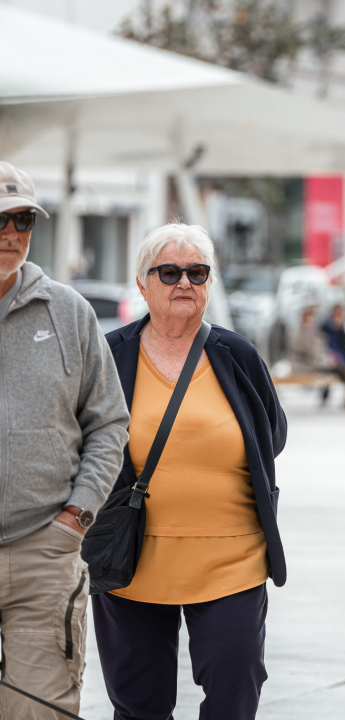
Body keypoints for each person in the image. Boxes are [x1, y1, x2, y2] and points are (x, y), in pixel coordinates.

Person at [93, 223, 287, 720]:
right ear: (142, 284)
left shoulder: (237, 353)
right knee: (139, 704)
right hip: (129, 559)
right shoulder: (109, 355)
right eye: (169, 272)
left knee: (235, 687)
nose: (184, 282)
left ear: (209, 283)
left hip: (232, 559)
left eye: (197, 272)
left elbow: (272, 432)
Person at [0, 162, 129, 718]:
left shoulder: (69, 312)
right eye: (0, 220)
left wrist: (77, 516)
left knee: (40, 710)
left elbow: (109, 421)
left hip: (44, 552)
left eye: (23, 220)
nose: (12, 233)